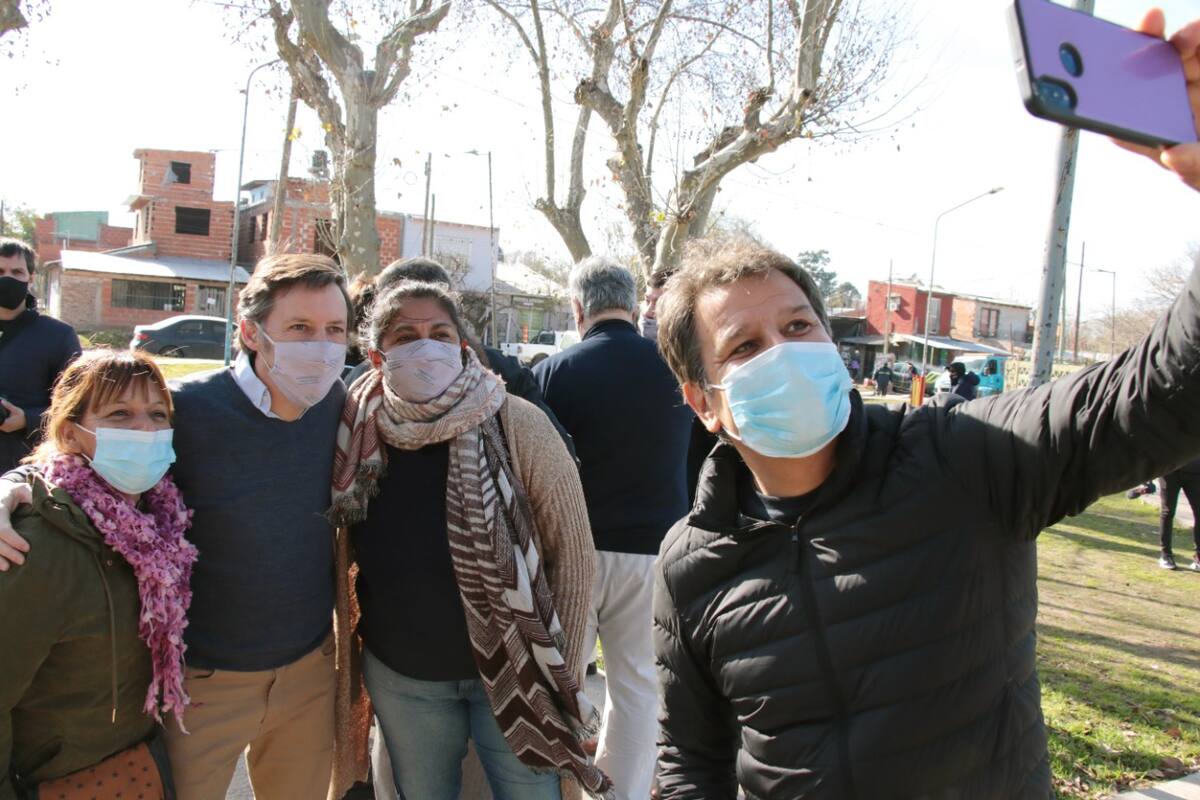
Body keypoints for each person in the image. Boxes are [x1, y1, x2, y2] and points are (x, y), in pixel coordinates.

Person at [652, 77, 1200, 797]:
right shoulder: (691, 566)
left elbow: (1161, 394)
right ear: (704, 403)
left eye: (796, 327)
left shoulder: (963, 459)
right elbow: (689, 759)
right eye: (745, 346)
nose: (783, 352)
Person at [330, 279, 607, 800]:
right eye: (405, 335)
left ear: (462, 346)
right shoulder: (355, 427)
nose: (425, 344)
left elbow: (572, 559)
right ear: (375, 354)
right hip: (404, 677)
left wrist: (562, 673)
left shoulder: (518, 423)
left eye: (439, 332)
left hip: (522, 673)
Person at [1, 349, 195, 800]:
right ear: (71, 433)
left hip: (140, 763)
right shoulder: (40, 543)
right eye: (120, 414)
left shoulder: (162, 519)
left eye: (157, 414)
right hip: (59, 779)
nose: (145, 430)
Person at [534, 257, 694, 800]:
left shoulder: (556, 373)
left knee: (565, 686)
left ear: (578, 308)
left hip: (573, 551)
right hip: (656, 550)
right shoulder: (673, 370)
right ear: (630, 305)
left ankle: (563, 790)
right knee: (637, 689)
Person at [344, 257, 575, 458]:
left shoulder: (505, 379)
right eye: (406, 336)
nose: (425, 349)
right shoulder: (359, 391)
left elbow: (556, 451)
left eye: (439, 332)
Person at [0, 237, 82, 476]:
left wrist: (28, 419)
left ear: (30, 278)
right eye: (0, 271)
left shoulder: (58, 336)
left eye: (17, 271)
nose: (7, 278)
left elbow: (79, 407)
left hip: (26, 470)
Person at [1156, 458, 1200, 571]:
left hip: (1195, 470)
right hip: (1170, 469)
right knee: (1168, 511)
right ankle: (1166, 555)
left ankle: (1199, 557)